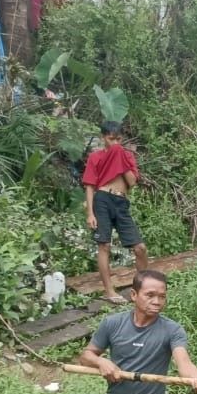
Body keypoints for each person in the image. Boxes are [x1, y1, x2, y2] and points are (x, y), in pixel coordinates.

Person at [83, 122, 148, 305]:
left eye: (119, 139)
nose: (115, 143)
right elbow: (89, 186)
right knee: (104, 246)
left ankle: (142, 286)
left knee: (140, 248)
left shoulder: (126, 155)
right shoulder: (95, 157)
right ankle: (109, 291)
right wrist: (90, 213)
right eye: (111, 139)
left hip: (121, 202)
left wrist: (121, 160)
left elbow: (132, 182)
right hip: (102, 199)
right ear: (103, 137)